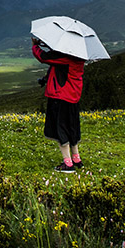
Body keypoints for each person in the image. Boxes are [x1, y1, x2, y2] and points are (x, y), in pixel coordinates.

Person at [32, 36, 85, 172]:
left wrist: (35, 46)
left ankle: (67, 164)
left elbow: (44, 57)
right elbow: (58, 68)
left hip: (60, 97)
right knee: (72, 128)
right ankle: (76, 158)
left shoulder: (64, 58)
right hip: (72, 97)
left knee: (60, 129)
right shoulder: (78, 58)